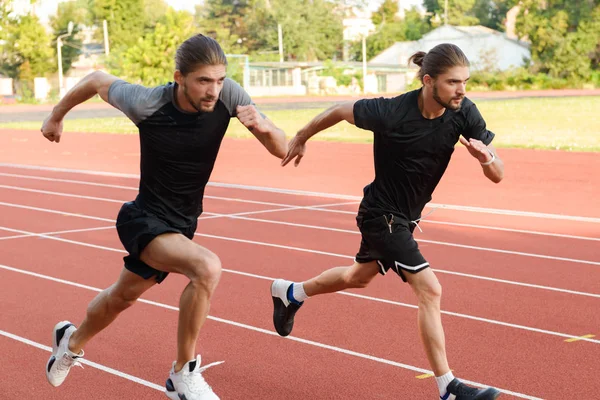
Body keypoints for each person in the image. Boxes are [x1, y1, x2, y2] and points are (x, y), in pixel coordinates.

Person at [41, 34, 287, 400]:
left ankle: (70, 342)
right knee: (207, 268)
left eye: (219, 80)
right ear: (179, 77)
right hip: (143, 218)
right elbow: (95, 80)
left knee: (121, 297)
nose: (213, 91)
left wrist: (266, 129)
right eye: (203, 81)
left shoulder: (230, 95)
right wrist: (55, 115)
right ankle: (181, 375)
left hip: (182, 224)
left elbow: (282, 148)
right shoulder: (146, 103)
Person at [271, 43, 504, 400]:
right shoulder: (391, 110)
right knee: (429, 289)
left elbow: (498, 175)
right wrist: (301, 136)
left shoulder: (465, 112)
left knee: (357, 277)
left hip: (407, 218)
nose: (462, 90)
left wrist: (485, 158)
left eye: (466, 82)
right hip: (381, 215)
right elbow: (337, 110)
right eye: (453, 82)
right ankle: (448, 389)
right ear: (429, 81)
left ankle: (291, 293)